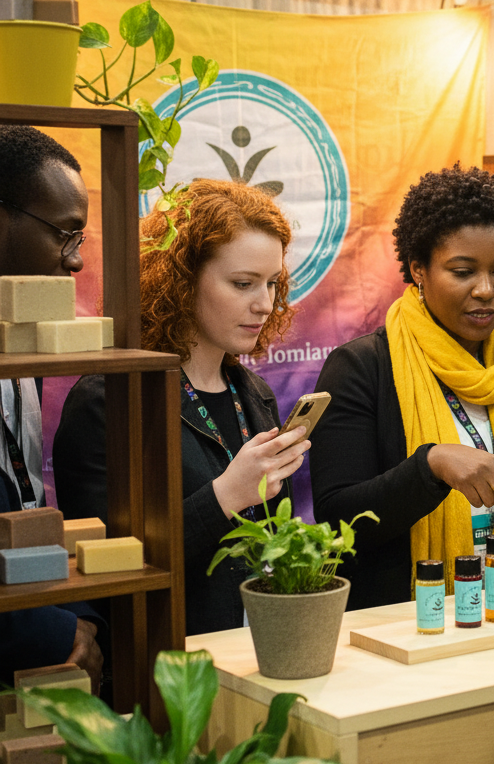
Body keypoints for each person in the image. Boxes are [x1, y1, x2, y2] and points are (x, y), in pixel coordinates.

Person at [311, 164, 494, 609]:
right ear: (419, 270)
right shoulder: (362, 368)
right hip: (405, 622)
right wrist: (431, 465)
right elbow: (337, 521)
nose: (486, 290)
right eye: (462, 272)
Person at [53, 179, 309, 635]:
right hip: (165, 667)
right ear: (181, 279)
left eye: (273, 283)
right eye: (243, 283)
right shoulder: (108, 400)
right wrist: (226, 496)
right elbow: (106, 568)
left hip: (259, 649)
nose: (265, 303)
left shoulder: (253, 392)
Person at [0, 125, 101, 691]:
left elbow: (30, 507)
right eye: (65, 235)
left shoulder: (26, 351)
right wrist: (52, 633)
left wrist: (80, 617)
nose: (76, 262)